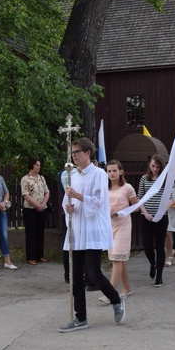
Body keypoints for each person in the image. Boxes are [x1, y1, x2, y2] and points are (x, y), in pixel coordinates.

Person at [60, 138, 125, 332]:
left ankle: (116, 299)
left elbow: (98, 202)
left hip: (92, 229)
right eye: (72, 153)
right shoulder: (72, 175)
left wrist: (78, 196)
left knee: (93, 273)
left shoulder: (98, 174)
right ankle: (81, 318)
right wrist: (68, 207)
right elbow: (66, 202)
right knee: (75, 276)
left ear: (88, 153)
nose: (74, 156)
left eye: (77, 152)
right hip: (77, 228)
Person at [96, 160, 138, 302]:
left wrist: (121, 211)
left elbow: (136, 207)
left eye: (114, 170)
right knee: (119, 257)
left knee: (116, 258)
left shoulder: (127, 188)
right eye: (109, 171)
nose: (112, 173)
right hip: (109, 225)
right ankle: (126, 287)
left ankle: (111, 292)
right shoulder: (104, 188)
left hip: (124, 224)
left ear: (121, 172)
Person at [137, 154, 169, 287]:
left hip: (161, 217)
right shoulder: (144, 179)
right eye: (153, 166)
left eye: (157, 166)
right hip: (147, 217)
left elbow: (171, 198)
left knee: (160, 246)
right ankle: (153, 263)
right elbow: (140, 198)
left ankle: (159, 276)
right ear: (149, 166)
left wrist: (162, 213)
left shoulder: (165, 179)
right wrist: (145, 213)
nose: (155, 169)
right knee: (147, 245)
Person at [21, 158, 50, 265]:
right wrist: (37, 205)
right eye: (37, 165)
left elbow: (47, 192)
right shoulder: (26, 179)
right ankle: (31, 256)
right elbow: (25, 194)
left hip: (42, 208)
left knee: (40, 232)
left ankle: (40, 255)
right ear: (32, 166)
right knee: (31, 233)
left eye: (39, 165)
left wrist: (42, 205)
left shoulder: (42, 178)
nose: (39, 167)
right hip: (30, 209)